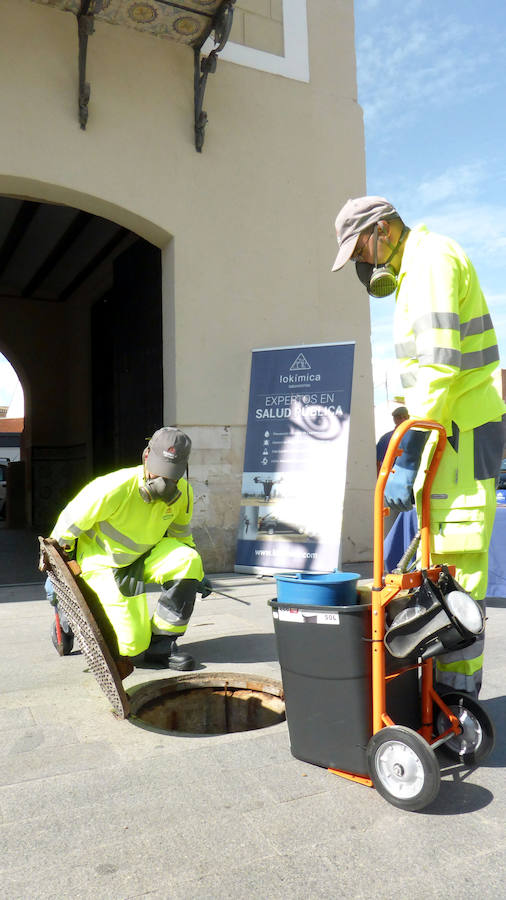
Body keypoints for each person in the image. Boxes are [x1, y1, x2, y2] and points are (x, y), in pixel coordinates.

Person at [332, 195, 506, 696]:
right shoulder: (415, 272)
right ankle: (440, 689)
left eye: (360, 252)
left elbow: (436, 367)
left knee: (457, 566)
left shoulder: (429, 263)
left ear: (382, 230)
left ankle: (456, 698)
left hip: (460, 432)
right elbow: (423, 374)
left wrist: (409, 452)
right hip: (448, 431)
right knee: (438, 562)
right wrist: (409, 437)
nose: (363, 266)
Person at [49, 427, 210, 671]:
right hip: (103, 560)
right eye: (160, 472)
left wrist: (195, 574)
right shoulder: (112, 487)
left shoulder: (183, 493)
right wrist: (56, 574)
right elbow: (65, 529)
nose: (165, 482)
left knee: (189, 560)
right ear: (146, 456)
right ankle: (68, 618)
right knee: (132, 648)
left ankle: (161, 645)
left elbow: (181, 535)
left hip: (145, 555)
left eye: (172, 475)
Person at [376, 406, 409, 474]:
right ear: (394, 419)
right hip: (391, 475)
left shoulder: (415, 436)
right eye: (399, 417)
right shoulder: (386, 438)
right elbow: (378, 461)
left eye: (405, 417)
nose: (403, 419)